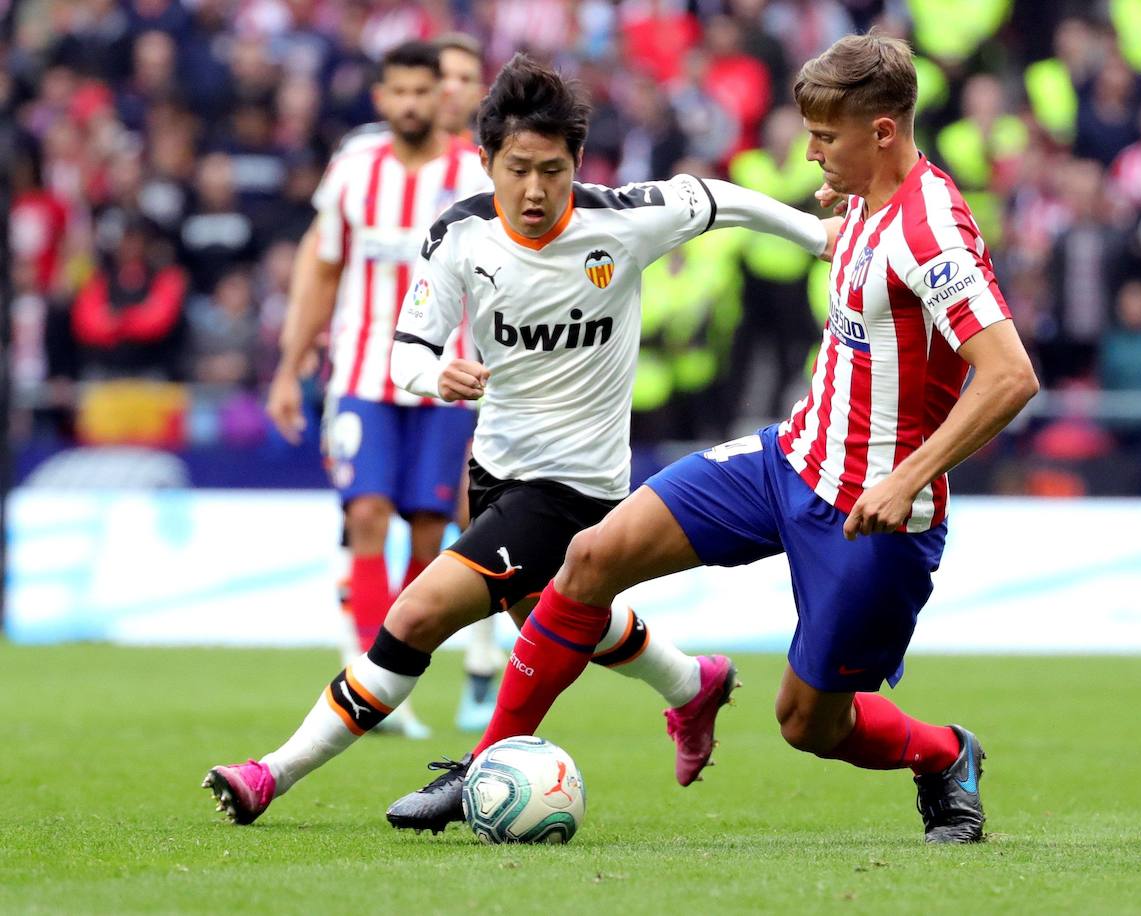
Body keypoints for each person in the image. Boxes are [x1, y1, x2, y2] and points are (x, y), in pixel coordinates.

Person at [388, 34, 1038, 844]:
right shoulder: (864, 199)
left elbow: (1010, 375)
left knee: (808, 723)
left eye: (825, 138)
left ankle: (945, 757)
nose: (809, 154)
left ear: (881, 133)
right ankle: (482, 768)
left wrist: (907, 478)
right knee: (590, 559)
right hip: (788, 460)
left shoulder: (929, 228)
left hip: (871, 511)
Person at [204, 53, 836, 827]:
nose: (533, 191)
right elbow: (408, 344)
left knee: (415, 616)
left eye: (551, 170)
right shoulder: (462, 236)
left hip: (577, 488)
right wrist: (432, 375)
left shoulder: (623, 220)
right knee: (555, 614)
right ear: (485, 162)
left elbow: (719, 198)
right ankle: (692, 683)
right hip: (495, 468)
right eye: (516, 170)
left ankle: (271, 774)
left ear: (577, 162)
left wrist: (817, 237)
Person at [267, 35, 504, 734]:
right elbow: (324, 268)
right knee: (365, 513)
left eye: (422, 92)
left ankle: (392, 672)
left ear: (443, 99)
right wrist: (289, 364)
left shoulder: (473, 174)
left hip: (444, 376)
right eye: (397, 92)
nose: (410, 103)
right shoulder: (353, 169)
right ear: (381, 99)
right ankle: (368, 676)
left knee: (430, 527)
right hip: (364, 370)